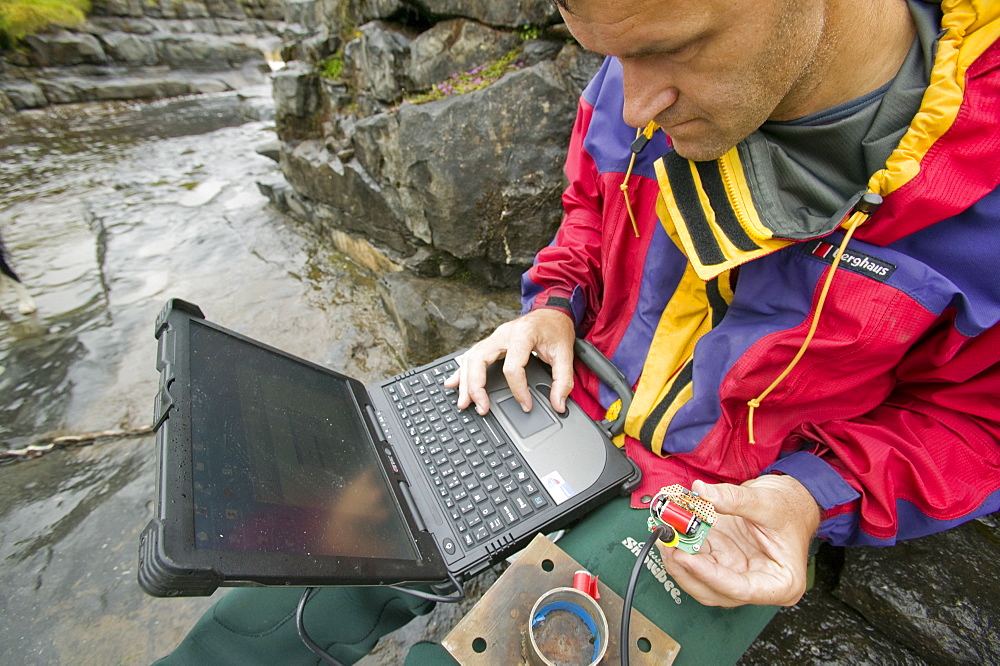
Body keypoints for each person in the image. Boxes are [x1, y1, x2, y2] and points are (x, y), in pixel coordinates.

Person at [159, 0, 1000, 662]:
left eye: (674, 47)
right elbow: (589, 213)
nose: (632, 104)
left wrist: (806, 496)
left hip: (714, 502)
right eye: (609, 53)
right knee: (294, 570)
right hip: (558, 395)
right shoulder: (631, 72)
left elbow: (976, 423)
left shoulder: (981, 183)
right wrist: (553, 302)